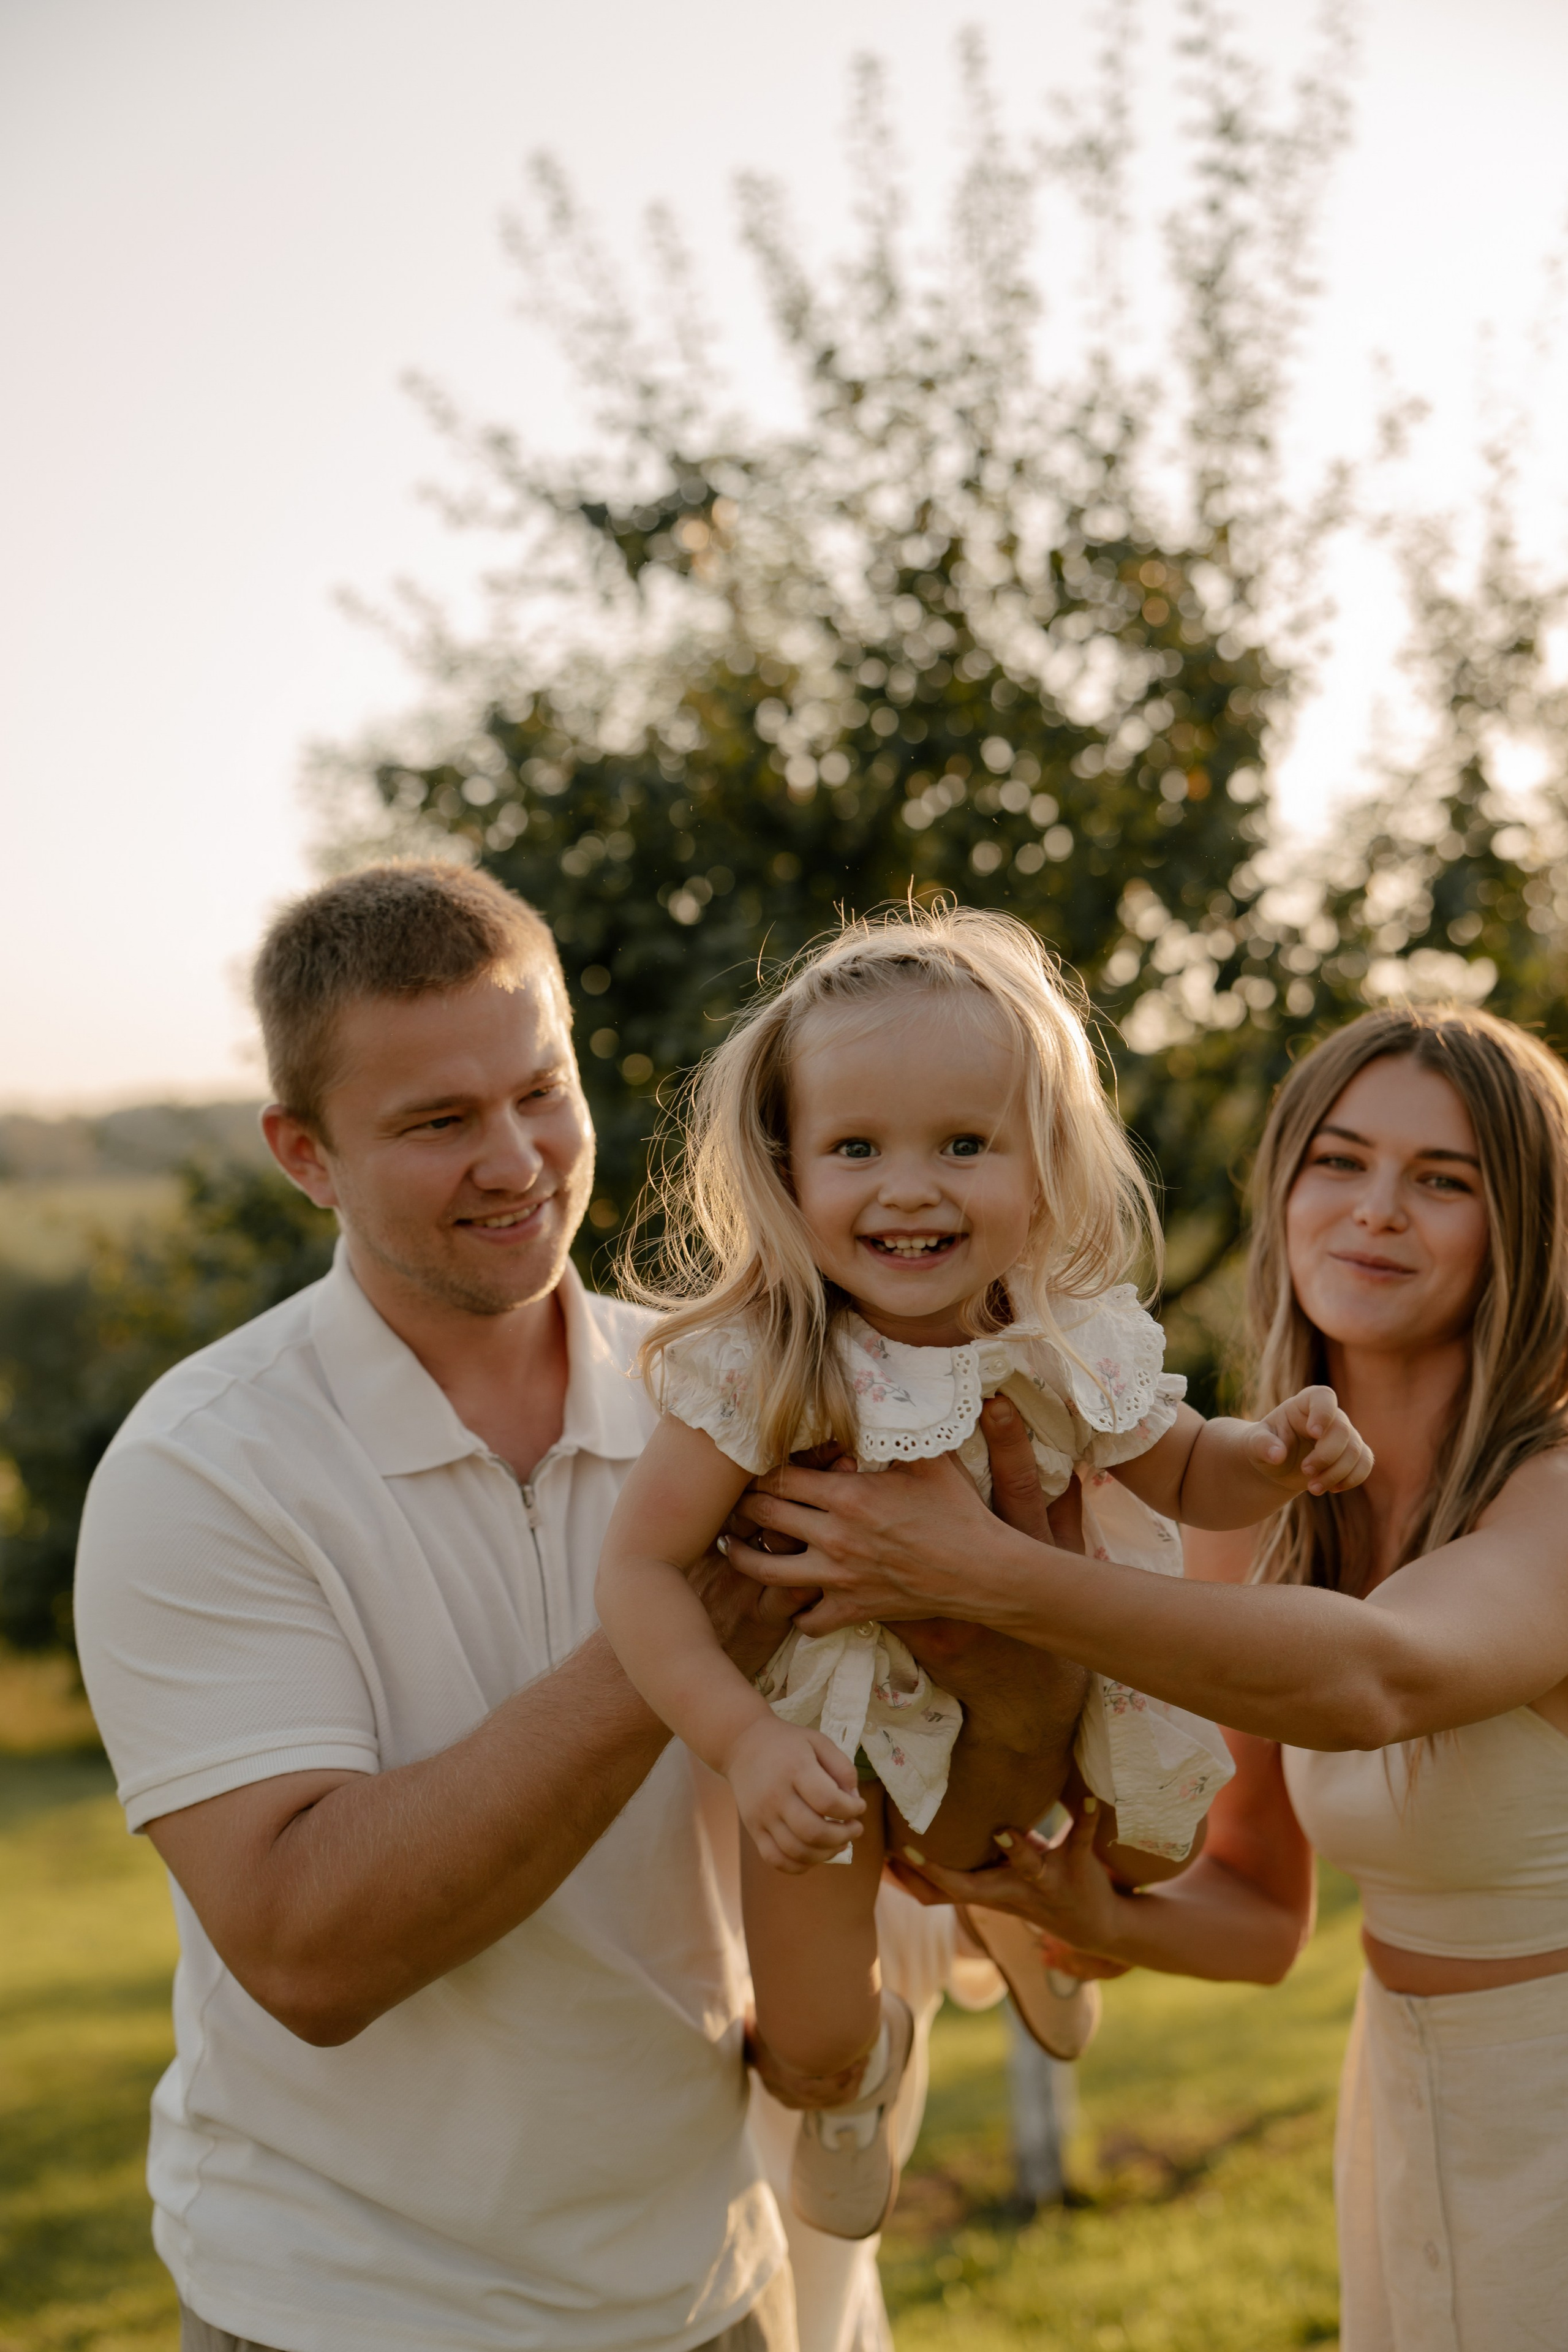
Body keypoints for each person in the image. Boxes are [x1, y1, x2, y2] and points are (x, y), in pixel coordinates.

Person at [72, 861, 1076, 2352]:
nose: (517, 1159)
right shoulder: (204, 1467)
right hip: (343, 2306)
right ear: (305, 1154)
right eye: (436, 1123)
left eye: (540, 1092)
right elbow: (305, 1952)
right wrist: (686, 1628)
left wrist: (1021, 1645)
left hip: (705, 2284)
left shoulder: (733, 1395)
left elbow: (936, 1827)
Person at [726, 1003, 1568, 2351]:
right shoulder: (1261, 1517)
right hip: (1406, 2111)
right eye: (1336, 1163)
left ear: (1523, 1229)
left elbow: (1376, 1680)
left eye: (1443, 1182)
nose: (1374, 1214)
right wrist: (1081, 1910)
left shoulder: (1553, 1496)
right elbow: (1253, 1917)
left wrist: (975, 1570)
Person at [596, 906, 1372, 2242]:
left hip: (1037, 1699)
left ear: (1042, 1165)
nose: (909, 1188)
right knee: (812, 2025)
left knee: (1131, 1849)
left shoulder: (1067, 1339)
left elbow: (1183, 1471)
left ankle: (1022, 1930)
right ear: (785, 1172)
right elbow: (640, 1571)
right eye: (855, 1149)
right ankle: (853, 2084)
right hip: (825, 1740)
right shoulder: (764, 1363)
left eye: (962, 1145)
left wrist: (1273, 1450)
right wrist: (739, 1741)